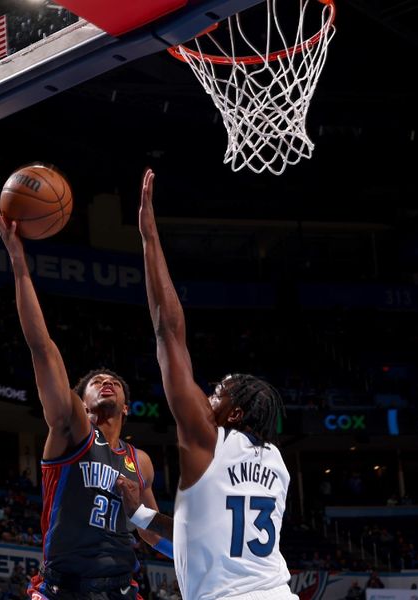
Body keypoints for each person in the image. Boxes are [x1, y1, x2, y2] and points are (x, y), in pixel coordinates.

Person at [116, 168, 296, 600]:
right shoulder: (277, 466)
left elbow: (169, 335)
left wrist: (149, 239)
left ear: (233, 413)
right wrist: (140, 515)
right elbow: (195, 539)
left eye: (218, 392)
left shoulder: (209, 440)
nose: (206, 394)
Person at [0, 201, 165, 599]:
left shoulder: (142, 463)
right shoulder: (72, 431)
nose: (106, 382)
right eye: (96, 382)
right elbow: (42, 348)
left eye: (115, 383)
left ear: (126, 407)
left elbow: (156, 538)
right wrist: (19, 264)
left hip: (121, 589)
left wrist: (146, 513)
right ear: (80, 403)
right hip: (62, 590)